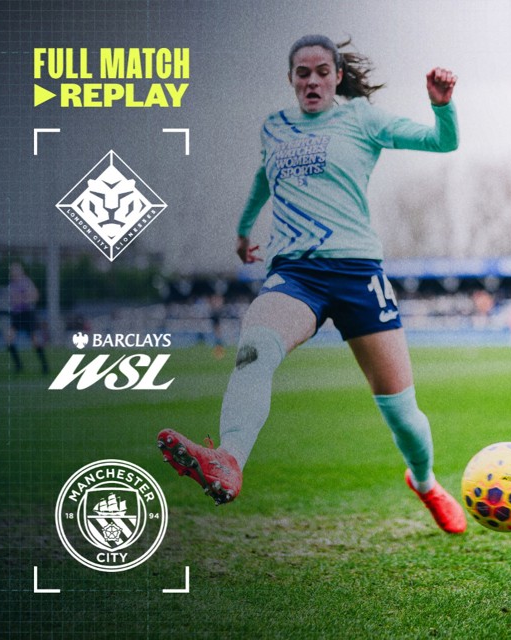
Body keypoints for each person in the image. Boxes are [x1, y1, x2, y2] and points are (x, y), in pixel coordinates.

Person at [157, 35, 466, 534]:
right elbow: (263, 177)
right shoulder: (274, 128)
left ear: (337, 76)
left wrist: (442, 106)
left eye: (322, 71)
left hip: (358, 273)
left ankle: (426, 482)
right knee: (255, 347)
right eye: (303, 73)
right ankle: (229, 458)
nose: (313, 81)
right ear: (290, 79)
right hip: (295, 272)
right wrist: (243, 230)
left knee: (402, 413)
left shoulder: (362, 118)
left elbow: (442, 141)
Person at [6, 262, 49, 375]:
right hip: (16, 315)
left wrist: (24, 298)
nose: (14, 273)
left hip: (28, 314)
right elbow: (13, 300)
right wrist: (22, 298)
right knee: (9, 338)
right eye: (12, 271)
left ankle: (45, 366)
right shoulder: (11, 285)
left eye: (16, 270)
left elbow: (34, 296)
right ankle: (18, 365)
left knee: (34, 340)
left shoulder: (26, 282)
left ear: (21, 271)